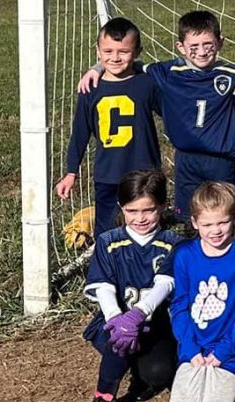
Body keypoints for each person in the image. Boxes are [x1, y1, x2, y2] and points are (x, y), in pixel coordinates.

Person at [80, 11, 235, 223]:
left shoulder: (233, 74)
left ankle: (226, 248)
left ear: (220, 43)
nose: (201, 51)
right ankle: (192, 247)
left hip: (220, 158)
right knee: (187, 215)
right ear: (180, 47)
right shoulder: (168, 71)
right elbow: (128, 61)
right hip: (185, 157)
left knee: (222, 210)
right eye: (194, 46)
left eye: (207, 44)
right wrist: (96, 67)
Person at [79, 169, 183, 402]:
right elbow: (102, 285)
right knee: (119, 341)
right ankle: (104, 396)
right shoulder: (108, 241)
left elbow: (166, 282)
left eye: (148, 210)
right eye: (131, 210)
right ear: (121, 207)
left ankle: (141, 372)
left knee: (159, 375)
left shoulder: (174, 243)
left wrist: (138, 314)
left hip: (154, 324)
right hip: (114, 322)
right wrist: (117, 318)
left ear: (162, 206)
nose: (140, 218)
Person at [168, 182, 235, 402]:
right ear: (195, 222)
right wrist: (189, 347)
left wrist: (224, 350)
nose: (216, 230)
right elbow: (179, 306)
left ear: (234, 219)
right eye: (207, 224)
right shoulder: (185, 255)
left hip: (231, 347)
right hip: (195, 345)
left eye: (222, 222)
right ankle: (207, 377)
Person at [58, 17, 163, 237]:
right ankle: (106, 267)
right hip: (107, 173)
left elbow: (172, 115)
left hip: (144, 172)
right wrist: (71, 172)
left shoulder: (148, 83)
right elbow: (80, 132)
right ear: (97, 51)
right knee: (106, 232)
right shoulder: (90, 87)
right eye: (108, 51)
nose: (115, 58)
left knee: (144, 225)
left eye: (123, 52)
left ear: (137, 52)